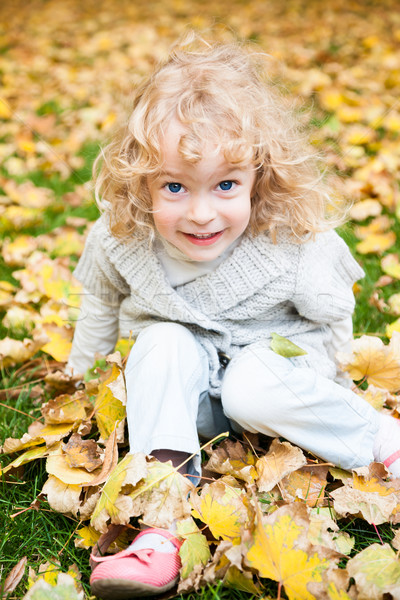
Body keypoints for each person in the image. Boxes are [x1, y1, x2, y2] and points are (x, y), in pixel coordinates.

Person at [67, 36, 400, 599]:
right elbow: (99, 304)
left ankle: (384, 444)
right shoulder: (122, 239)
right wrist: (85, 380)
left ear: (257, 178)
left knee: (250, 383)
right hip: (186, 404)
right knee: (163, 340)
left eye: (226, 186)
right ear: (140, 180)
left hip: (276, 384)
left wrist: (337, 388)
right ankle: (161, 523)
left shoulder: (291, 246)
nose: (201, 213)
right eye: (174, 187)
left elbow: (334, 319)